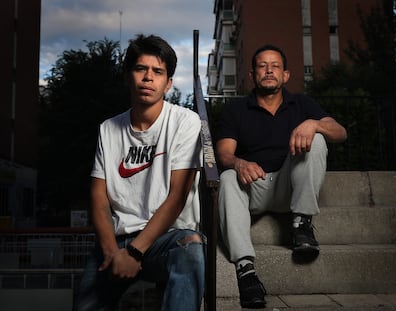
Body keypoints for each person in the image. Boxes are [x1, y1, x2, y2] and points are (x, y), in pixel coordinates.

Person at [76, 34, 206, 311]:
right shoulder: (108, 129)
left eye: (157, 71)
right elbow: (99, 197)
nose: (148, 77)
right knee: (87, 302)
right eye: (140, 69)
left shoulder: (185, 121)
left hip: (167, 238)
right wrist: (114, 253)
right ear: (128, 76)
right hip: (117, 240)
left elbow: (178, 196)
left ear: (168, 83)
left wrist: (135, 251)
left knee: (191, 248)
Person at [215, 45, 347, 308]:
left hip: (291, 186)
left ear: (285, 75)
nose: (269, 71)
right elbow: (224, 154)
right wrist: (239, 162)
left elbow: (340, 132)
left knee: (318, 139)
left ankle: (301, 225)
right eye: (262, 66)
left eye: (275, 66)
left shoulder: (302, 103)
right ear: (252, 74)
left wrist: (315, 124)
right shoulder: (236, 110)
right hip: (255, 186)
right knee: (228, 177)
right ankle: (245, 270)